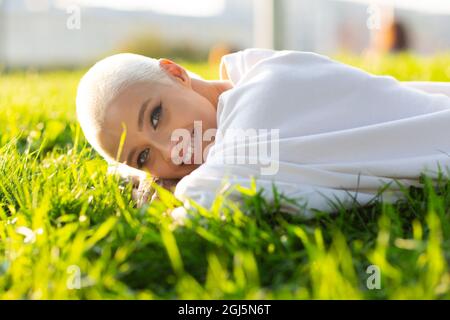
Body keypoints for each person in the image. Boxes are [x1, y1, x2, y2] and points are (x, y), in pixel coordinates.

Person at [76, 48, 450, 218]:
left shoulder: (266, 90)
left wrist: (162, 187)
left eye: (156, 116)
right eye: (143, 156)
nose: (172, 153)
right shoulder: (244, 84)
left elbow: (206, 199)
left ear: (176, 73)